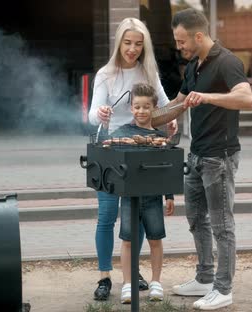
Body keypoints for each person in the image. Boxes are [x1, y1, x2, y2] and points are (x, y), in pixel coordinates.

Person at [167, 8, 252, 310]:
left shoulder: (227, 62)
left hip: (220, 158)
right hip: (197, 156)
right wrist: (147, 116)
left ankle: (223, 288)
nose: (179, 47)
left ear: (199, 36)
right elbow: (178, 103)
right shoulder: (194, 66)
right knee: (195, 220)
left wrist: (208, 98)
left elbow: (246, 98)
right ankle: (204, 278)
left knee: (222, 226)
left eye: (181, 42)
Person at [87, 17, 177, 301]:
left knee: (135, 213)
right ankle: (104, 276)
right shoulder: (106, 74)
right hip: (110, 150)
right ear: (119, 42)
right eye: (128, 43)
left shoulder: (148, 72)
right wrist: (99, 114)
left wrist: (171, 123)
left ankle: (133, 269)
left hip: (141, 151)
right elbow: (91, 115)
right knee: (107, 215)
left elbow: (164, 107)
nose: (132, 49)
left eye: (138, 44)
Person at [110, 83, 175, 304]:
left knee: (155, 239)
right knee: (127, 240)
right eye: (137, 106)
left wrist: (169, 196)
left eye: (146, 107)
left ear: (154, 108)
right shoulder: (121, 134)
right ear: (131, 108)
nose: (141, 111)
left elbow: (167, 167)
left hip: (153, 198)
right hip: (129, 198)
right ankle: (127, 284)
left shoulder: (159, 136)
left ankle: (156, 282)